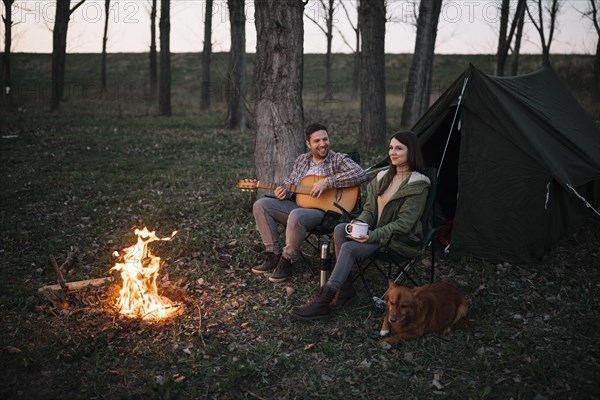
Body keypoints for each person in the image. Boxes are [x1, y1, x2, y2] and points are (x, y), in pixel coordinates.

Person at [289, 131, 430, 320]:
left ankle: (324, 299)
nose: (393, 152)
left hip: (398, 240)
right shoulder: (383, 177)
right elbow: (370, 211)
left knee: (348, 247)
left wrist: (370, 236)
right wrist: (359, 223)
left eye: (399, 148)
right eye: (390, 148)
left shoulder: (418, 184)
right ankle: (346, 290)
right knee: (341, 228)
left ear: (410, 151)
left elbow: (404, 224)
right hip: (377, 234)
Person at [252, 123, 368, 283]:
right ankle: (274, 254)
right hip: (299, 204)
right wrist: (284, 190)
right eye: (317, 141)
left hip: (324, 212)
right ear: (308, 144)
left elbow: (360, 174)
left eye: (325, 139)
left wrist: (328, 182)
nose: (323, 144)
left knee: (296, 214)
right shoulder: (302, 160)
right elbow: (291, 182)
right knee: (261, 205)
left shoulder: (338, 159)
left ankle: (287, 260)